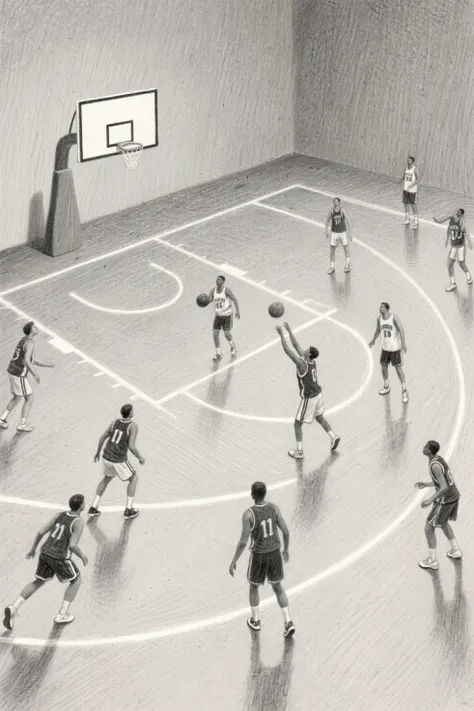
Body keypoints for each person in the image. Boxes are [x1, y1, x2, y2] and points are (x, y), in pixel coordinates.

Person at [3, 494, 88, 630]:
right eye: (84, 502)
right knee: (76, 580)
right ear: (81, 506)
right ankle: (62, 614)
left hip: (44, 553)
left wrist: (33, 549)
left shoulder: (59, 515)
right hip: (59, 557)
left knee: (38, 582)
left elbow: (41, 531)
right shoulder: (78, 522)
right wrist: (82, 555)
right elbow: (72, 545)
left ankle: (14, 607)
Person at [229, 481, 295, 638]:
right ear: (265, 493)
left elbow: (243, 541)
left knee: (254, 587)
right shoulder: (274, 508)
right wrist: (285, 549)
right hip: (275, 554)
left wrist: (234, 561)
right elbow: (286, 532)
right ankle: (288, 622)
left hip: (259, 556)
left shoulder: (248, 515)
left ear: (252, 495)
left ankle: (256, 620)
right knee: (278, 587)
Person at [276, 322, 340, 459]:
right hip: (318, 395)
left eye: (307, 349)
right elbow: (296, 345)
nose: (304, 349)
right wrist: (289, 330)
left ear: (309, 353)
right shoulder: (311, 361)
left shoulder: (301, 364)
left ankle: (299, 452)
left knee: (297, 424)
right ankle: (333, 436)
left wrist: (281, 334)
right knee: (319, 417)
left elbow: (288, 350)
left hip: (310, 398)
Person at [88, 404, 144, 520]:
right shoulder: (133, 426)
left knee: (106, 479)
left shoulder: (114, 422)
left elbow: (102, 438)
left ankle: (93, 507)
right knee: (134, 478)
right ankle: (128, 510)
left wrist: (97, 453)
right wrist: (140, 457)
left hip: (106, 457)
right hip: (118, 460)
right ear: (130, 413)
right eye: (132, 410)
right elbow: (131, 446)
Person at [0, 321, 55, 432]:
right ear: (31, 330)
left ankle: (3, 419)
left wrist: (46, 365)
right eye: (34, 327)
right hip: (18, 374)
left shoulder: (24, 340)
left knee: (18, 397)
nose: (36, 328)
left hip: (12, 370)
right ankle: (21, 424)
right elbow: (26, 361)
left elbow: (30, 359)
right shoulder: (30, 344)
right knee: (28, 398)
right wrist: (35, 374)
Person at [415, 441, 462, 570]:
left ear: (429, 451)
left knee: (428, 528)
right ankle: (455, 550)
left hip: (445, 500)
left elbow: (444, 487)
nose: (423, 448)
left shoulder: (434, 466)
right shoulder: (438, 459)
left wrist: (430, 500)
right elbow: (442, 481)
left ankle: (432, 561)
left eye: (426, 446)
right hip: (454, 496)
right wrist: (426, 484)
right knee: (444, 523)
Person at [369, 302, 408, 403]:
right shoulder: (379, 319)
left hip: (395, 349)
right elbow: (378, 330)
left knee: (398, 369)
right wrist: (373, 340)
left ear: (387, 309)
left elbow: (402, 330)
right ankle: (386, 386)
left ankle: (404, 390)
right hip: (385, 349)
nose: (380, 308)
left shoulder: (394, 318)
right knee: (383, 367)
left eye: (382, 307)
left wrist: (403, 343)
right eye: (380, 306)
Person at [433, 209, 473, 292]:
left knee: (461, 264)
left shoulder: (462, 222)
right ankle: (453, 283)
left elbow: (466, 232)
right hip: (453, 246)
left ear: (461, 215)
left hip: (461, 246)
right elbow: (447, 227)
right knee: (449, 264)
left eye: (459, 212)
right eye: (457, 211)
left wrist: (469, 241)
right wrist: (437, 221)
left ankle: (468, 276)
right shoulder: (451, 218)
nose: (457, 212)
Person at [208, 275, 240, 362]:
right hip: (218, 315)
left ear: (223, 282)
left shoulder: (227, 290)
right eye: (217, 279)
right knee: (215, 334)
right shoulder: (213, 290)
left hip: (227, 315)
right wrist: (203, 301)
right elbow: (209, 300)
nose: (217, 281)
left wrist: (237, 311)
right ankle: (218, 353)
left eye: (219, 280)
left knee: (226, 334)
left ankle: (232, 345)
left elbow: (234, 299)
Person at [325, 197, 353, 274]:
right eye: (334, 201)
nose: (335, 202)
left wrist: (350, 233)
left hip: (342, 232)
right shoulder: (331, 211)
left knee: (346, 248)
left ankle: (348, 264)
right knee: (332, 250)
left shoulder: (342, 210)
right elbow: (327, 221)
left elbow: (349, 221)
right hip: (334, 233)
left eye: (336, 201)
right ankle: (332, 267)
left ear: (339, 203)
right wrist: (326, 230)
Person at [400, 156, 420, 229]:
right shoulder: (406, 168)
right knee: (406, 204)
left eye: (410, 160)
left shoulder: (415, 169)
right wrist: (399, 180)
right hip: (405, 189)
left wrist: (411, 185)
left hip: (412, 191)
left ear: (412, 162)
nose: (408, 161)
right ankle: (407, 219)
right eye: (408, 160)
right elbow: (404, 176)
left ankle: (416, 221)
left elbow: (418, 179)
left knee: (413, 206)